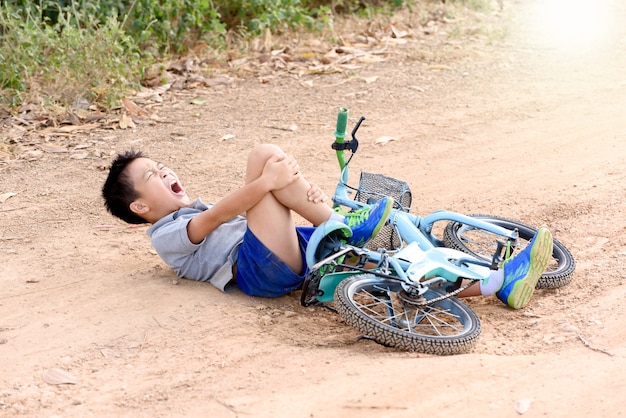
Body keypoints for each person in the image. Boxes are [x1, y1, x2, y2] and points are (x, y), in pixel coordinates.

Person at [101, 144, 552, 309]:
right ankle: (343, 224)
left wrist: (292, 189)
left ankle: (497, 282)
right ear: (140, 206)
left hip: (278, 251)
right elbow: (220, 216)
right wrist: (269, 181)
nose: (164, 174)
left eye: (162, 167)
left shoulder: (191, 208)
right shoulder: (165, 234)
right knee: (262, 157)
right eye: (152, 177)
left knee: (387, 271)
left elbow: (250, 206)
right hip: (257, 270)